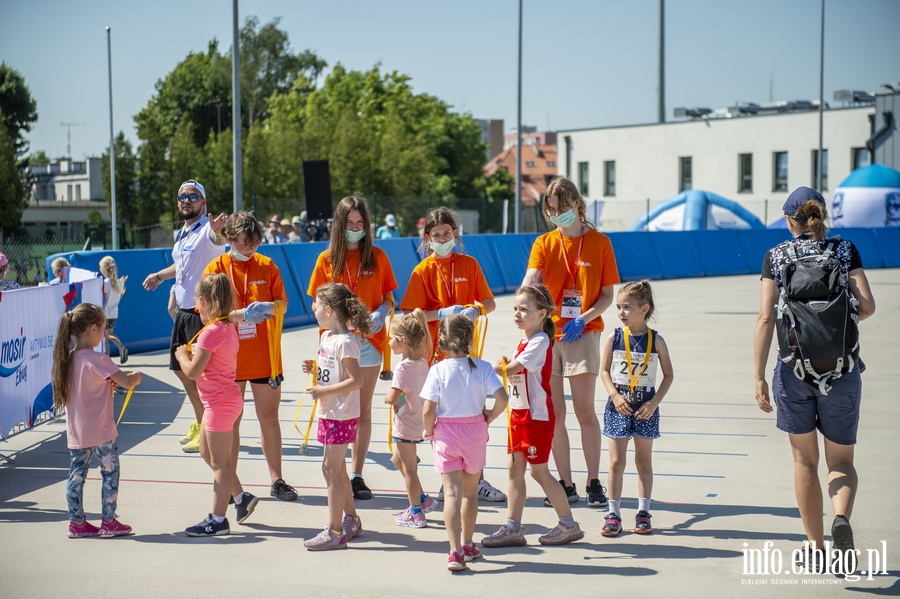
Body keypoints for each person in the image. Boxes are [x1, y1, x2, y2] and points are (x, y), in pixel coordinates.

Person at [754, 186, 875, 574]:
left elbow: (765, 318)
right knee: (840, 461)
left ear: (790, 220)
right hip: (841, 370)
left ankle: (815, 546)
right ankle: (841, 517)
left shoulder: (777, 255)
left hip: (793, 371)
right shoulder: (844, 249)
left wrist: (758, 375)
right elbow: (868, 306)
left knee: (804, 461)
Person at [522, 176, 619, 508]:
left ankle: (594, 481)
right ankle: (565, 483)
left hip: (583, 332)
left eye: (562, 208)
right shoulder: (544, 243)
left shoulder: (600, 243)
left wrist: (584, 318)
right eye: (551, 210)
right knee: (555, 412)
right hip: (549, 335)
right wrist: (525, 296)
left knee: (584, 410)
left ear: (577, 204)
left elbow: (608, 296)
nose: (557, 215)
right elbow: (532, 277)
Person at [400, 206, 506, 503]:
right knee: (445, 420)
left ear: (455, 234)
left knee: (473, 416)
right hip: (437, 356)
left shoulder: (469, 264)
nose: (443, 238)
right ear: (427, 237)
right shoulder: (422, 271)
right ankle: (449, 480)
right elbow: (411, 313)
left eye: (447, 233)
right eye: (436, 235)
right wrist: (440, 314)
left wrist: (477, 310)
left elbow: (489, 301)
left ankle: (478, 480)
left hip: (468, 355)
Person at [307, 195, 398, 500]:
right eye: (350, 223)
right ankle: (336, 468)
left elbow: (388, 297)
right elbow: (314, 302)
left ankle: (356, 474)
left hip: (370, 341)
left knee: (362, 407)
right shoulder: (326, 259)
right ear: (339, 225)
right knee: (336, 406)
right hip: (336, 343)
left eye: (360, 223)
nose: (356, 228)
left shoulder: (378, 257)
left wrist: (382, 313)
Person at [203, 212, 298, 502]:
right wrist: (239, 315)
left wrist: (269, 307)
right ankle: (232, 485)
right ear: (230, 239)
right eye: (245, 243)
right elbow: (206, 314)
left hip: (264, 356)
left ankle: (277, 479)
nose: (250, 248)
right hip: (228, 359)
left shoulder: (267, 266)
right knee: (231, 423)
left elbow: (283, 303)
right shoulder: (216, 267)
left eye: (255, 242)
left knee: (269, 418)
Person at [482, 284, 585, 549]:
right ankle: (513, 527)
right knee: (514, 469)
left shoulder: (539, 341)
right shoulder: (525, 340)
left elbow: (514, 369)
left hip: (536, 417)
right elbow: (515, 371)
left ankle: (569, 524)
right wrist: (506, 365)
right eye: (515, 308)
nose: (517, 313)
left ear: (542, 314)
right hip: (519, 414)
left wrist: (488, 366)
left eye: (524, 309)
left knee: (539, 472)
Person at [141, 179, 227, 453]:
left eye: (193, 196)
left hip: (199, 314)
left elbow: (217, 241)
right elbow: (182, 266)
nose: (186, 200)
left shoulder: (206, 232)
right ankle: (201, 421)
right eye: (182, 196)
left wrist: (219, 234)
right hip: (184, 310)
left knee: (197, 374)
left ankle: (206, 427)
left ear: (203, 202)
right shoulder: (183, 233)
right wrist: (162, 280)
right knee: (181, 370)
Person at [421, 315, 509, 571]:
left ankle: (454, 550)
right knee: (471, 494)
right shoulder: (481, 368)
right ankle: (469, 543)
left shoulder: (437, 370)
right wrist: (490, 415)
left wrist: (429, 432)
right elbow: (502, 398)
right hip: (474, 432)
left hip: (446, 433)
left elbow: (428, 409)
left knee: (451, 494)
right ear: (471, 339)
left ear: (443, 342)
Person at [51, 303, 143, 538]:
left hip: (78, 432)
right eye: (103, 329)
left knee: (76, 474)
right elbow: (127, 382)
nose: (103, 333)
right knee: (109, 472)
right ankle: (109, 521)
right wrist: (136, 377)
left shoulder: (67, 360)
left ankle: (77, 522)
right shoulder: (99, 359)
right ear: (92, 329)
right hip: (101, 431)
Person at [175, 273, 256, 536]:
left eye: (198, 300)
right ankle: (241, 497)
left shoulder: (211, 332)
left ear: (207, 302)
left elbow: (193, 372)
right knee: (207, 454)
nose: (196, 306)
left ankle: (217, 519)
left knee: (221, 463)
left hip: (220, 404)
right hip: (220, 402)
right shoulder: (225, 327)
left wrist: (181, 356)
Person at [599, 281, 674, 537]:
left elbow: (668, 376)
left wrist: (654, 403)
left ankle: (643, 512)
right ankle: (613, 513)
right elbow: (604, 370)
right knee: (616, 462)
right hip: (617, 408)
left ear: (644, 308)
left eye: (627, 307)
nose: (621, 312)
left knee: (643, 461)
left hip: (645, 409)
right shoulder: (615, 337)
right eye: (619, 307)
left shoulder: (656, 340)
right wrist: (614, 395)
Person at [300, 283, 369, 550]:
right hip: (329, 410)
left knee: (329, 468)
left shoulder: (346, 342)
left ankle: (335, 530)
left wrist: (324, 389)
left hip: (342, 414)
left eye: (316, 304)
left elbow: (356, 381)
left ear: (328, 309)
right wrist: (314, 368)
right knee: (337, 468)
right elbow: (331, 370)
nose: (313, 307)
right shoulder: (326, 337)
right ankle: (351, 518)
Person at [385, 309, 437, 528]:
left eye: (392, 339)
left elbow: (394, 395)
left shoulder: (402, 367)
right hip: (418, 420)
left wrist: (388, 398)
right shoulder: (422, 362)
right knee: (397, 460)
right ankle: (422, 499)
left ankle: (415, 512)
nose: (389, 343)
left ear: (403, 341)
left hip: (406, 423)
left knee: (409, 470)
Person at [99, 256, 129, 364]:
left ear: (103, 270)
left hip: (106, 313)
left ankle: (116, 350)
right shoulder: (120, 282)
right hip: (114, 313)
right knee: (109, 334)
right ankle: (115, 351)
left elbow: (104, 298)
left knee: (106, 335)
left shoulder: (106, 282)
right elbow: (119, 297)